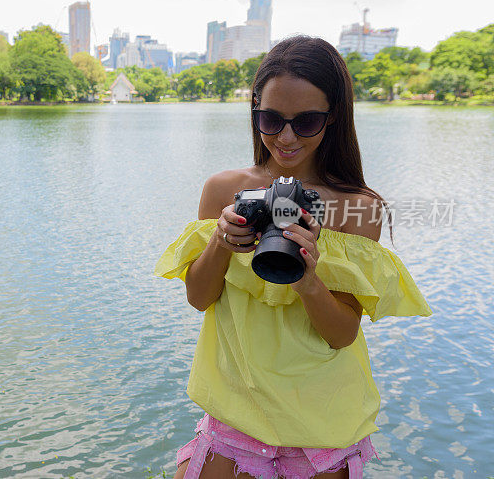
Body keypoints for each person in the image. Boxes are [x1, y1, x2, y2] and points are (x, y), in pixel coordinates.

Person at [154, 35, 432, 479]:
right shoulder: (225, 190)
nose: (285, 137)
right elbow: (199, 297)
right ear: (254, 113)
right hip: (236, 414)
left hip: (322, 425)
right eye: (270, 119)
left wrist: (308, 280)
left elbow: (341, 335)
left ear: (333, 116)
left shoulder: (357, 207)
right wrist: (221, 241)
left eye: (306, 122)